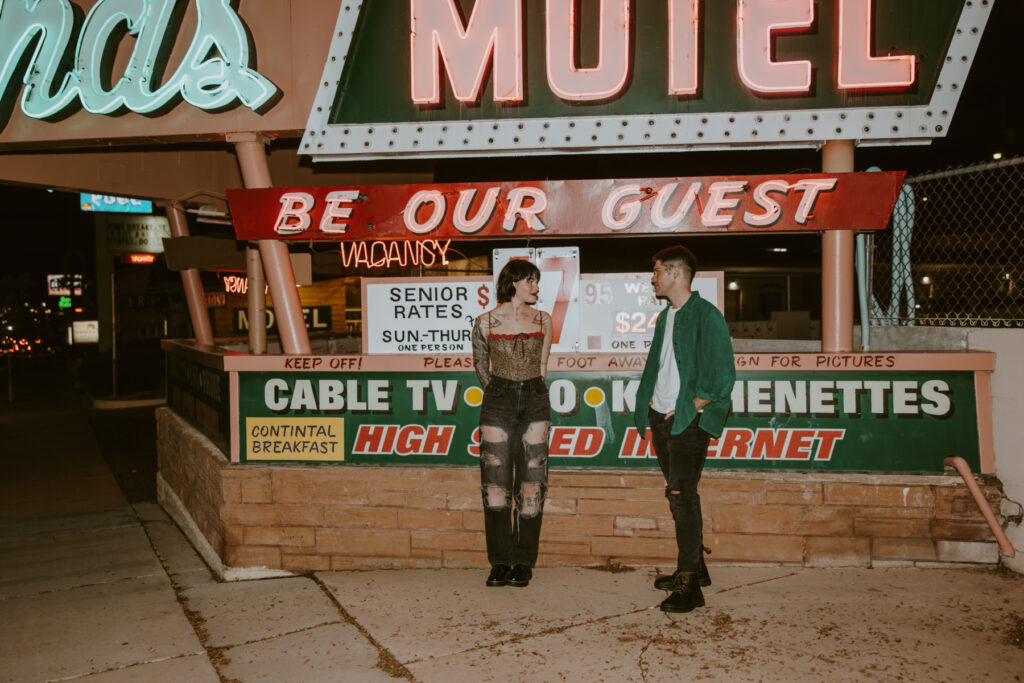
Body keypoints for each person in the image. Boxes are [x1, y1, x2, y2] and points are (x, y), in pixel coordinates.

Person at [634, 245, 735, 613]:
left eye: (658, 270)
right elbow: (659, 368)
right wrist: (650, 408)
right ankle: (695, 567)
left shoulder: (706, 315)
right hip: (662, 418)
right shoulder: (666, 317)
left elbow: (722, 376)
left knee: (681, 495)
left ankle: (689, 585)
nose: (653, 276)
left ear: (676, 273)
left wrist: (691, 408)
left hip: (687, 422)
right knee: (681, 496)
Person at [471, 259, 553, 588]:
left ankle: (523, 561)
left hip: (534, 397)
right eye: (530, 281)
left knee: (532, 483)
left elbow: (544, 364)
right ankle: (500, 561)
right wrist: (499, 391)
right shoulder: (486, 321)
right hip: (498, 400)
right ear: (514, 282)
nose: (535, 287)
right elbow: (480, 365)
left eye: (536, 281)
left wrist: (532, 389)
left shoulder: (543, 320)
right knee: (495, 486)